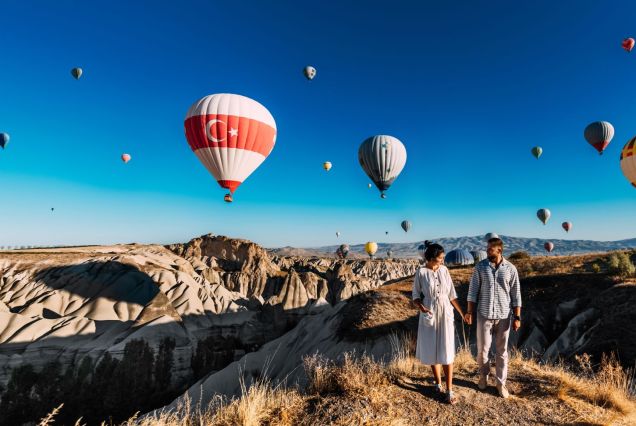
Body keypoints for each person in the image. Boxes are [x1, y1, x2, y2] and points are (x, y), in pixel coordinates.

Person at [464, 237, 522, 399]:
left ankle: (500, 383)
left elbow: (516, 295)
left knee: (502, 352)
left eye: (490, 249)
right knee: (483, 350)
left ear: (499, 250)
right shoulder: (480, 268)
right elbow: (472, 292)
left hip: (504, 316)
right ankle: (483, 376)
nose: (487, 251)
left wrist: (517, 317)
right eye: (487, 248)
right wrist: (469, 312)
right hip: (484, 315)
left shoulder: (511, 269)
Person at [412, 241, 466, 404]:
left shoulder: (445, 270)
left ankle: (449, 390)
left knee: (447, 350)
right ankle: (438, 383)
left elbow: (452, 295)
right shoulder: (420, 272)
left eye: (443, 258)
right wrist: (421, 307)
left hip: (446, 312)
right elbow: (415, 296)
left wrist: (462, 314)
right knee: (431, 348)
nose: (442, 260)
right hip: (429, 311)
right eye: (440, 258)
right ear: (431, 257)